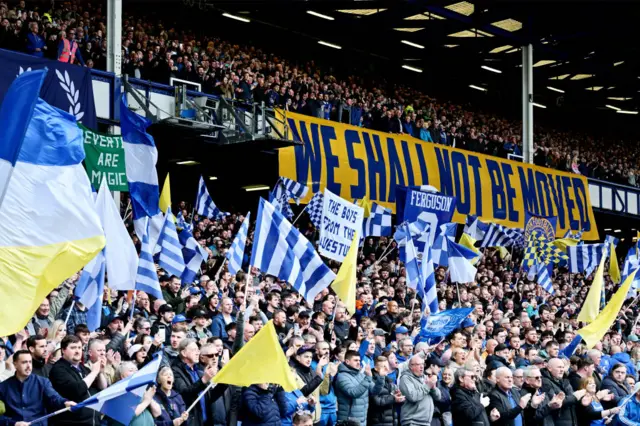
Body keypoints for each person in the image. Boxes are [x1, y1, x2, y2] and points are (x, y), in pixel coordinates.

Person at [0, 350, 75, 426]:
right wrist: (14, 423)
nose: (29, 366)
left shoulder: (42, 382)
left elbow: (54, 397)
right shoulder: (3, 387)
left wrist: (65, 402)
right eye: (24, 362)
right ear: (15, 365)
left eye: (30, 362)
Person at [49, 335, 106, 426]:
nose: (77, 351)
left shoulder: (83, 368)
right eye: (73, 348)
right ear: (63, 350)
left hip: (94, 422)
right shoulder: (58, 369)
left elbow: (102, 388)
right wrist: (94, 372)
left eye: (79, 347)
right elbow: (77, 390)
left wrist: (100, 373)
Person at [171, 338, 218, 426]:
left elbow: (211, 396)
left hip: (206, 422)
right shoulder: (175, 371)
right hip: (190, 422)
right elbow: (184, 392)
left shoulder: (199, 370)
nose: (198, 353)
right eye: (194, 350)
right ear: (184, 353)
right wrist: (204, 380)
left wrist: (224, 382)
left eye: (198, 350)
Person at [334, 350, 384, 426]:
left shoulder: (361, 375)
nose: (358, 362)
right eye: (355, 360)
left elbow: (374, 391)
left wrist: (381, 378)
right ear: (347, 361)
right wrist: (368, 377)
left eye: (359, 360)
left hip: (362, 420)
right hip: (348, 421)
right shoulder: (342, 376)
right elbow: (353, 393)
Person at [540, 358, 587, 426]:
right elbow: (556, 401)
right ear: (550, 368)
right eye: (559, 367)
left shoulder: (564, 381)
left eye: (563, 367)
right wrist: (575, 397)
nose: (562, 370)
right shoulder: (544, 381)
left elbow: (572, 398)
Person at [398, 355, 441, 426]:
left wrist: (433, 388)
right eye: (418, 364)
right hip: (412, 422)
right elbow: (412, 397)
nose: (422, 366)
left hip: (426, 423)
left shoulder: (425, 377)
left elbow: (438, 397)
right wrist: (428, 386)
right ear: (411, 366)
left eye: (422, 364)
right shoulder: (405, 378)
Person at [368, 355, 403, 426]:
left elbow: (395, 397)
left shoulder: (389, 380)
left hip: (392, 420)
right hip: (378, 421)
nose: (387, 369)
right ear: (376, 368)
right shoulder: (371, 380)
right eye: (384, 367)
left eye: (387, 366)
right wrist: (393, 398)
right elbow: (376, 401)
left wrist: (399, 397)